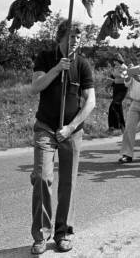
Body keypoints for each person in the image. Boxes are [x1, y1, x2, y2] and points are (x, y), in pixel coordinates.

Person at [29, 20, 95, 254]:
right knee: (42, 177)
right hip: (45, 127)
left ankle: (64, 233)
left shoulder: (83, 64)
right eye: (71, 37)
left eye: (79, 37)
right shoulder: (45, 57)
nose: (75, 40)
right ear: (60, 37)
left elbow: (90, 101)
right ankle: (40, 234)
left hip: (71, 131)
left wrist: (71, 127)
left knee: (68, 182)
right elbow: (35, 87)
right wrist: (57, 69)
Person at [107, 54, 128, 135]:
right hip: (116, 88)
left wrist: (113, 80)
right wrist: (109, 84)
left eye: (114, 60)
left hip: (122, 88)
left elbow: (125, 79)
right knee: (118, 107)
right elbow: (113, 76)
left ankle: (112, 127)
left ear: (118, 59)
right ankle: (121, 127)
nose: (113, 62)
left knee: (113, 105)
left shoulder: (124, 67)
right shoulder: (115, 67)